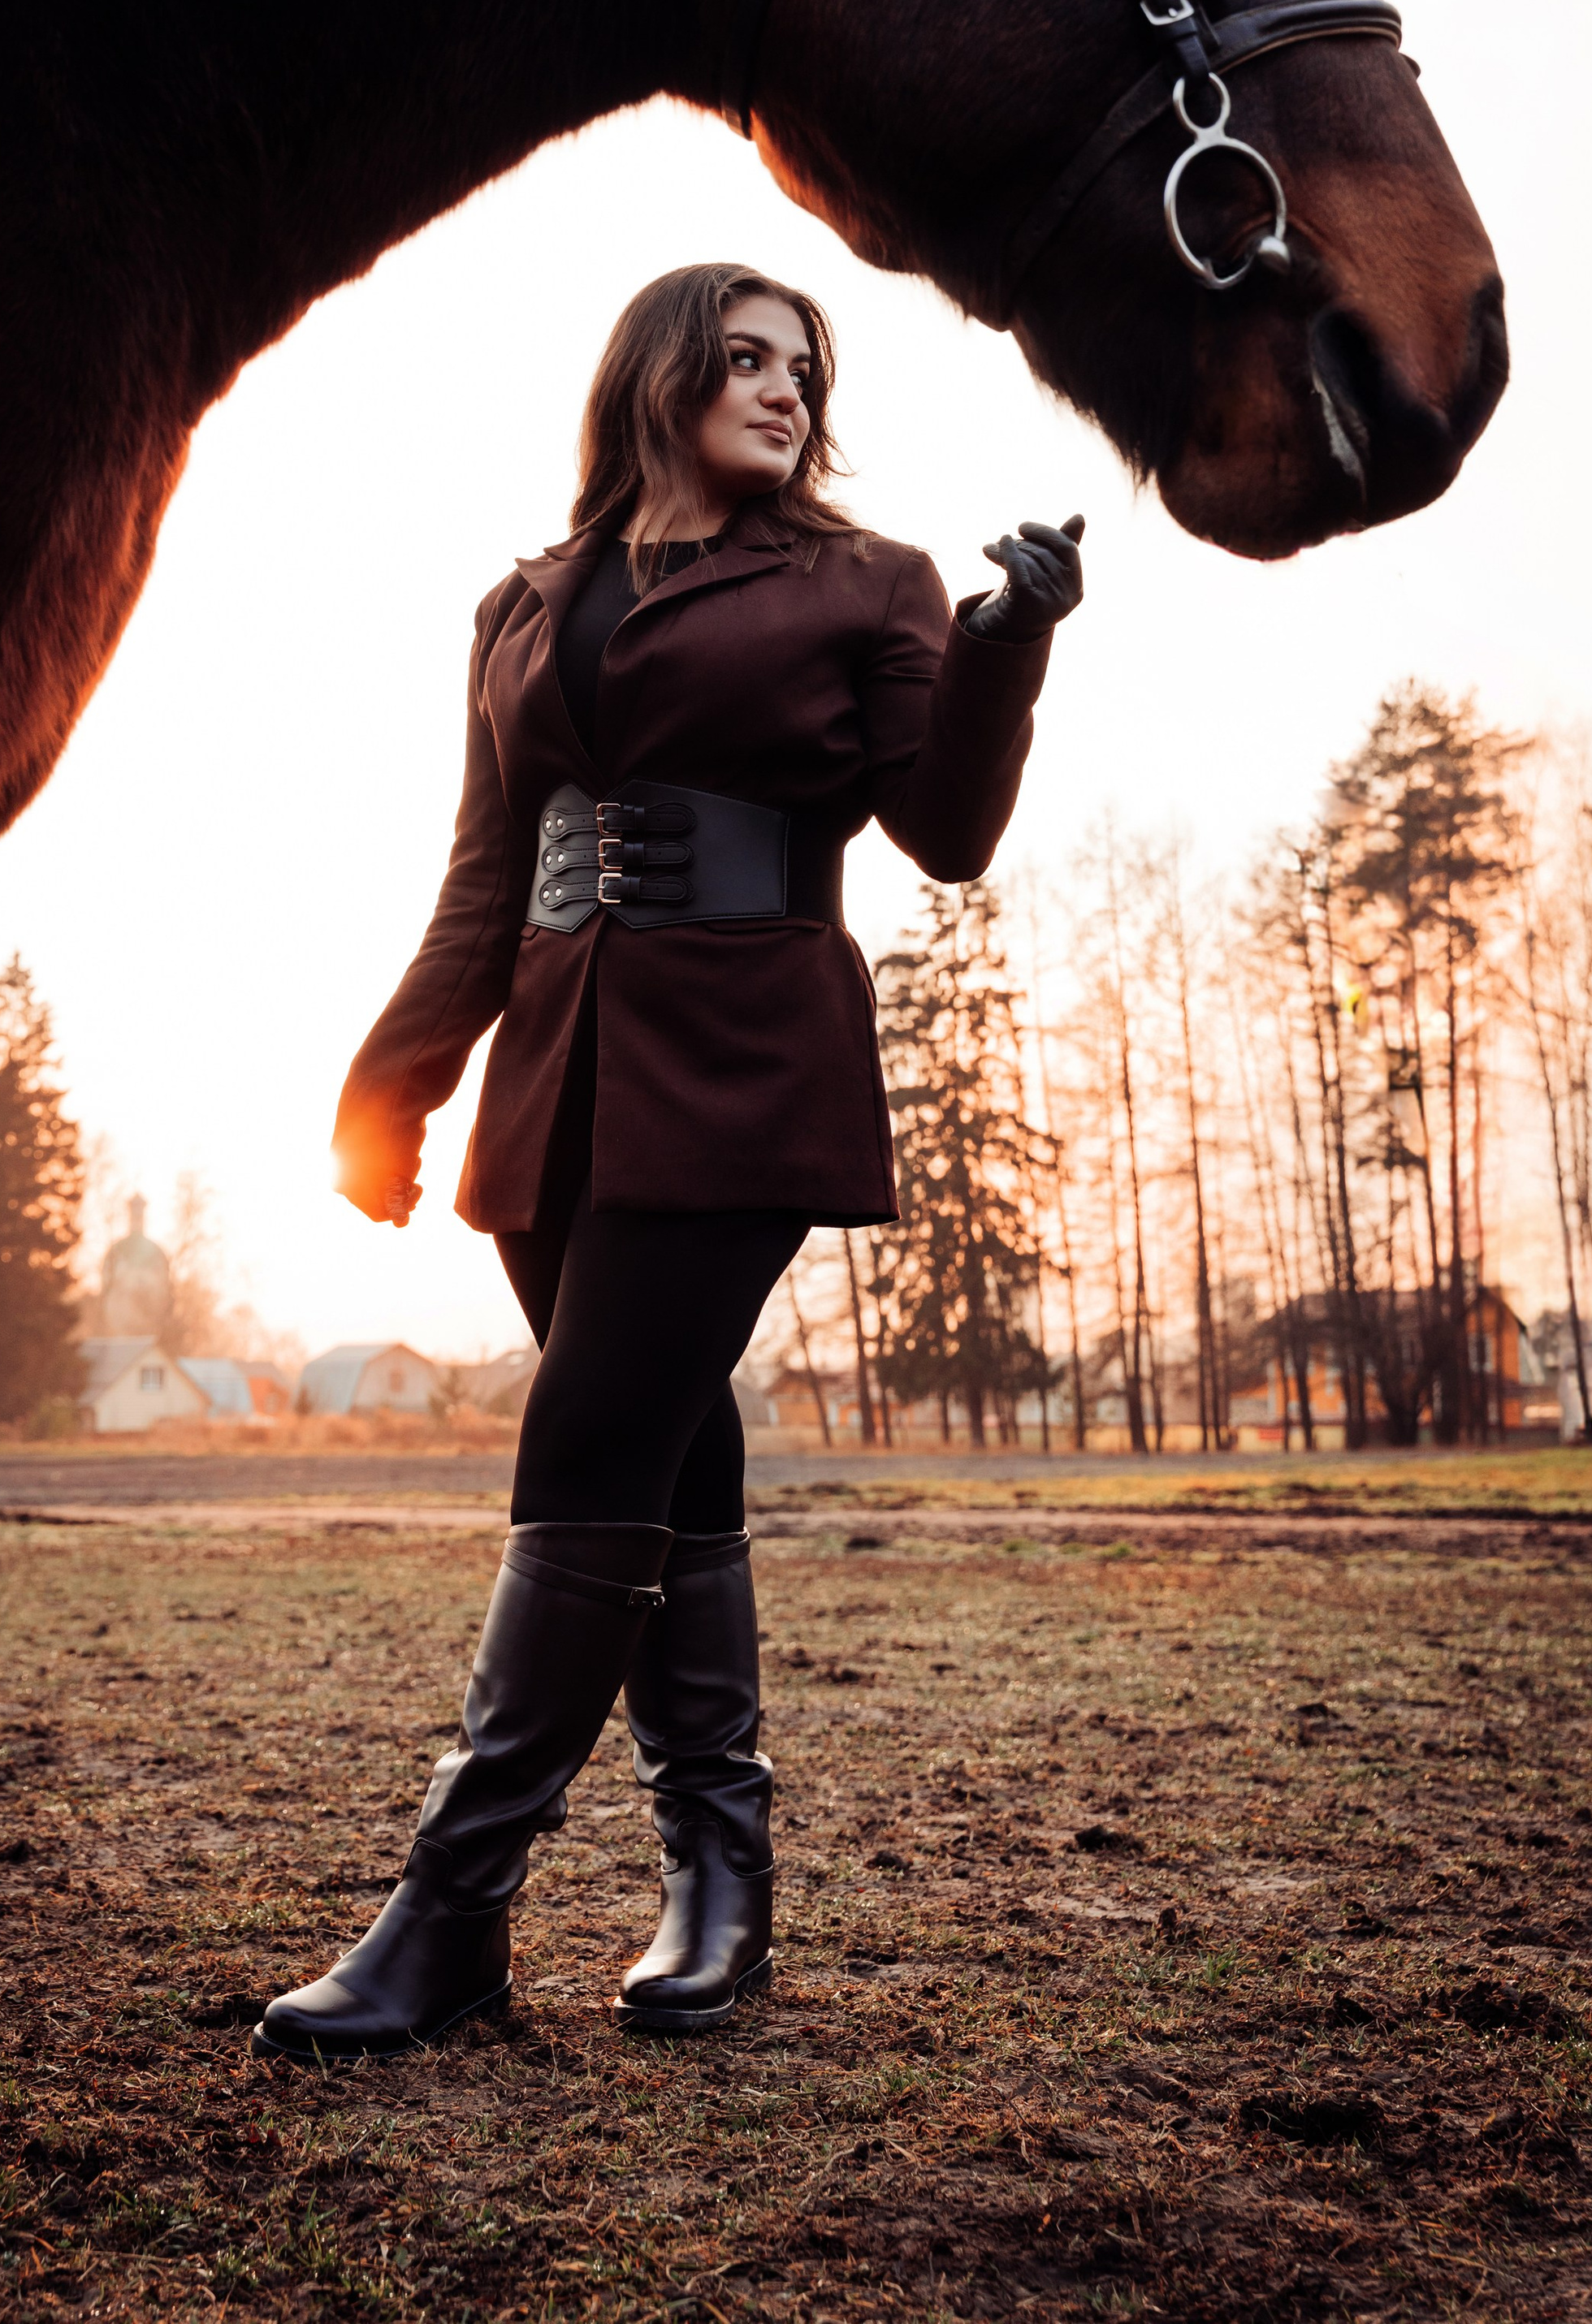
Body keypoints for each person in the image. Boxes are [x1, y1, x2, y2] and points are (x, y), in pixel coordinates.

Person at [255, 264, 1084, 2064]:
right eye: (748, 358)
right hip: (552, 1085)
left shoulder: (861, 582)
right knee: (662, 1458)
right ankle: (722, 1879)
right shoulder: (522, 601)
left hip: (744, 1066)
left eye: (805, 368)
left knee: (584, 1441)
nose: (784, 390)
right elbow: (487, 874)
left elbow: (942, 830)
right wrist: (389, 1086)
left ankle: (449, 1916)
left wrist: (1005, 637)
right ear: (658, 372)